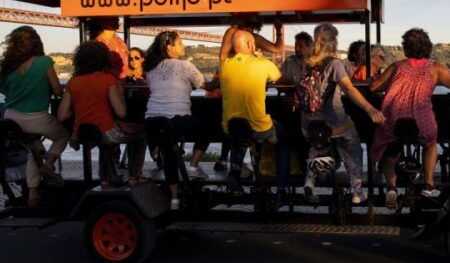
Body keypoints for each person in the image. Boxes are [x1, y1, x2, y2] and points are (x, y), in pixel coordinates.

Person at [369, 28, 450, 208]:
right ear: (427, 47)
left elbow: (374, 88)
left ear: (406, 48)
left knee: (389, 150)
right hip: (422, 121)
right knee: (430, 144)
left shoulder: (397, 66)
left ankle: (391, 188)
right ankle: (428, 185)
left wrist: (375, 77)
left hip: (394, 120)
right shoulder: (435, 67)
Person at [299, 24, 384, 205]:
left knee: (317, 141)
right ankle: (357, 191)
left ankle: (309, 182)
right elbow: (349, 88)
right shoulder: (335, 64)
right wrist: (370, 109)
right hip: (334, 121)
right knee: (353, 145)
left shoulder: (308, 63)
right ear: (334, 42)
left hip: (309, 122)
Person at [57, 41, 147, 187]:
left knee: (104, 141)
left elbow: (62, 115)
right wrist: (120, 94)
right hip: (106, 132)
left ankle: (105, 178)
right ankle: (134, 176)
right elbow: (121, 112)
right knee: (141, 132)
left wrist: (79, 106)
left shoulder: (73, 82)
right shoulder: (108, 80)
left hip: (81, 134)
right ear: (104, 59)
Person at [0, 26, 68, 206]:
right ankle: (49, 164)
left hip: (10, 118)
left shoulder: (7, 67)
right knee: (62, 136)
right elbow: (57, 91)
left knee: (34, 148)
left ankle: (33, 194)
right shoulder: (44, 62)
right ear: (37, 43)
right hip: (37, 118)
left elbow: (5, 91)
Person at [143, 31, 211, 209]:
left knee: (169, 152)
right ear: (169, 47)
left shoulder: (150, 68)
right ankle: (193, 167)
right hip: (177, 120)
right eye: (180, 43)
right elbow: (205, 85)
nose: (184, 46)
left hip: (151, 122)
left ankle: (174, 198)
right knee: (207, 128)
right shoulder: (185, 66)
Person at [219, 30, 288, 196]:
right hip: (258, 129)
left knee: (239, 134)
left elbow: (223, 52)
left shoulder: (224, 65)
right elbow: (283, 81)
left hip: (230, 127)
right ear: (251, 44)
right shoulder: (263, 63)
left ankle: (235, 174)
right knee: (284, 137)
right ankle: (281, 185)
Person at [219, 14, 283, 62]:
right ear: (241, 22)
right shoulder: (232, 32)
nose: (249, 27)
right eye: (247, 23)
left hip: (248, 71)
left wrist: (278, 31)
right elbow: (223, 56)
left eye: (253, 25)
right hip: (234, 71)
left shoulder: (253, 37)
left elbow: (277, 49)